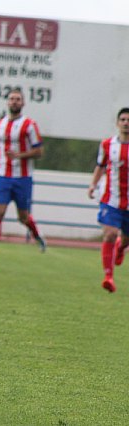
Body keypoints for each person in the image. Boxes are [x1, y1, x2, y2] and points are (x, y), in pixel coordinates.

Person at [0, 88, 46, 270]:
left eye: (18, 99)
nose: (14, 102)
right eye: (11, 99)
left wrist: (19, 155)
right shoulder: (0, 123)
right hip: (2, 176)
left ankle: (37, 234)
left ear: (23, 103)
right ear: (7, 102)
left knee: (23, 217)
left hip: (22, 178)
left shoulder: (29, 125)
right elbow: (1, 147)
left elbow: (39, 151)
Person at [87, 107, 129, 293]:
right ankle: (108, 276)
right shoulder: (107, 145)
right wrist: (92, 185)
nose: (126, 123)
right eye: (123, 119)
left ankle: (121, 248)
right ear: (117, 123)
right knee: (110, 233)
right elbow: (100, 166)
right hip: (110, 199)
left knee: (125, 239)